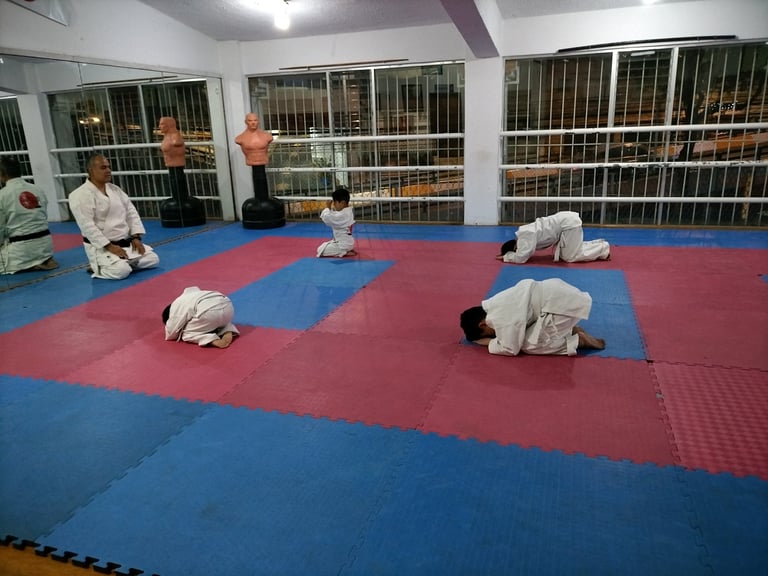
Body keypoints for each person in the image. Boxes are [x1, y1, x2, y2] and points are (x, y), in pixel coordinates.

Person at [68, 154, 159, 280]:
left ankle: (123, 262)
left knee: (153, 260)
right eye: (103, 167)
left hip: (124, 243)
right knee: (121, 271)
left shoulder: (115, 189)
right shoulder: (79, 195)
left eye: (109, 167)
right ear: (91, 170)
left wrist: (136, 237)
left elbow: (131, 212)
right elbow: (87, 226)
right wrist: (109, 247)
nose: (108, 171)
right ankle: (99, 267)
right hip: (102, 247)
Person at [460, 278, 606, 356]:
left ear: (483, 325)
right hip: (560, 297)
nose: (493, 334)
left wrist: (486, 343)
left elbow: (511, 349)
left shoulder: (497, 318)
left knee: (528, 344)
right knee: (526, 333)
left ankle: (577, 341)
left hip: (562, 308)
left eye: (488, 334)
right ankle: (568, 329)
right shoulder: (493, 303)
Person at [0, 157, 58, 274]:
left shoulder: (2, 195)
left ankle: (29, 264)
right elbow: (42, 216)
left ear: (2, 174)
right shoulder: (37, 190)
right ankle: (41, 260)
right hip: (46, 246)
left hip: (20, 250)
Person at [497, 211, 610, 264]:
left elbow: (521, 258)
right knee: (565, 253)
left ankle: (603, 248)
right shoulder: (524, 232)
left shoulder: (525, 236)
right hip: (565, 221)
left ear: (515, 248)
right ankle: (598, 245)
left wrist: (506, 257)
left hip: (567, 225)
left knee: (570, 257)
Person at [163, 286, 239, 348]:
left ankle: (211, 339)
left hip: (208, 313)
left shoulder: (175, 308)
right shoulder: (190, 295)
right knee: (216, 321)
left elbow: (172, 331)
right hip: (228, 306)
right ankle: (227, 329)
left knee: (186, 334)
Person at [234, 112, 273, 198]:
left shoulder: (267, 136)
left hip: (263, 160)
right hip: (251, 161)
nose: (253, 122)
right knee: (257, 182)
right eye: (250, 120)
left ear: (258, 121)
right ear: (246, 122)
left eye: (255, 120)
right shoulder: (240, 138)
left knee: (262, 182)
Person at [317, 187, 356, 258]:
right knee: (323, 246)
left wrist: (327, 208)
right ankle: (346, 249)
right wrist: (329, 210)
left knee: (320, 250)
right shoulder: (347, 212)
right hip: (345, 242)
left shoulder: (344, 215)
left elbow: (328, 218)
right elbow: (334, 216)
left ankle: (344, 251)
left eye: (335, 202)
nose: (334, 204)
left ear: (343, 203)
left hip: (344, 244)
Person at [158, 116, 188, 199]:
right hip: (170, 165)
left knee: (178, 182)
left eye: (162, 124)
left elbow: (177, 142)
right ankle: (177, 198)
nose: (159, 126)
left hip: (176, 165)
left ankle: (180, 199)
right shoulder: (167, 136)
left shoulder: (175, 136)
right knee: (173, 182)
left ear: (169, 125)